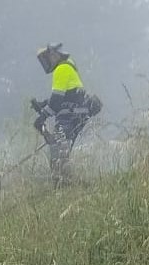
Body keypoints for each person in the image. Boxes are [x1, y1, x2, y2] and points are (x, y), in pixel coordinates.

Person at [31, 43, 100, 186]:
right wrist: (44, 104)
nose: (47, 62)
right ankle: (65, 181)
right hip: (76, 114)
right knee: (61, 147)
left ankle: (63, 183)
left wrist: (42, 117)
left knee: (58, 147)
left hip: (70, 116)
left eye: (47, 58)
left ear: (55, 55)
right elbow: (66, 96)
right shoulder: (67, 68)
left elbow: (57, 99)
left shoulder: (61, 69)